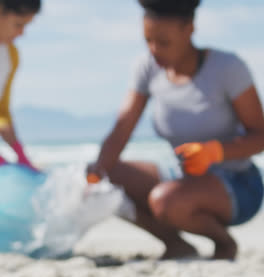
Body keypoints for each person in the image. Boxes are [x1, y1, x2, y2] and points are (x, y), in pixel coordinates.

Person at [87, 0, 264, 260]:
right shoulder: (148, 67)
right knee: (106, 178)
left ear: (189, 29)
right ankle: (177, 245)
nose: (154, 49)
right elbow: (121, 129)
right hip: (181, 174)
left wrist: (213, 152)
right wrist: (95, 175)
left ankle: (225, 244)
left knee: (164, 201)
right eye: (147, 40)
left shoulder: (227, 68)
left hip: (237, 182)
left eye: (163, 42)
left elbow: (260, 136)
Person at [0, 0, 41, 170]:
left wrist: (20, 154)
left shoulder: (11, 56)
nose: (22, 33)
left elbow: (2, 112)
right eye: (18, 24)